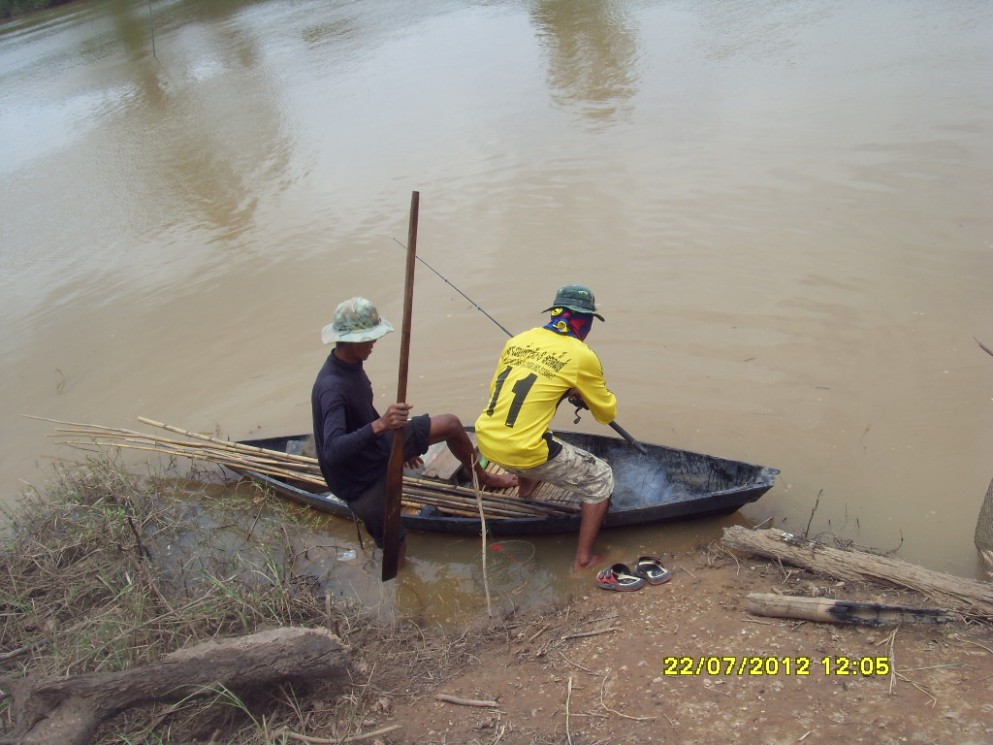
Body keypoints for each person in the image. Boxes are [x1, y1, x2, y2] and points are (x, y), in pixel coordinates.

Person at [312, 297, 517, 564]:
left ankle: (482, 476)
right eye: (370, 338)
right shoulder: (332, 387)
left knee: (452, 425)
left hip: (377, 443)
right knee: (395, 547)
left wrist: (397, 440)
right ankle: (404, 590)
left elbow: (361, 413)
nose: (374, 343)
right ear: (351, 340)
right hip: (358, 477)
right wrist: (382, 425)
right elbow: (333, 451)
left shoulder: (352, 366)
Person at [475, 284, 617, 572]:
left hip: (486, 441)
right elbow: (606, 413)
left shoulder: (519, 340)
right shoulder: (582, 355)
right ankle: (584, 559)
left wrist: (566, 388)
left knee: (538, 431)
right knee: (601, 477)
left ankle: (526, 489)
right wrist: (581, 391)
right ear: (586, 320)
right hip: (521, 450)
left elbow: (501, 392)